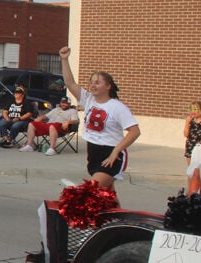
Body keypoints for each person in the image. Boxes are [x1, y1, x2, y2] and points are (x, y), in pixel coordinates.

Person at [59, 46, 140, 187]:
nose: (92, 85)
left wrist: (116, 151)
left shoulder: (117, 107)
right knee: (107, 196)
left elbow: (135, 132)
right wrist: (64, 59)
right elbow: (70, 83)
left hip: (111, 154)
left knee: (89, 191)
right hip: (93, 153)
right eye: (91, 82)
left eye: (97, 82)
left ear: (108, 86)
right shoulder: (88, 99)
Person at [183, 101, 201, 166]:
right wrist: (187, 122)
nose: (193, 111)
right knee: (190, 168)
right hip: (190, 145)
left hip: (200, 146)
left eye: (195, 109)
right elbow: (185, 134)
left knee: (200, 168)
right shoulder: (190, 121)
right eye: (191, 109)